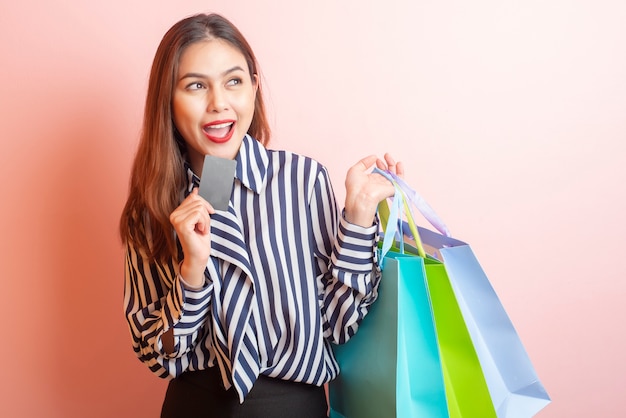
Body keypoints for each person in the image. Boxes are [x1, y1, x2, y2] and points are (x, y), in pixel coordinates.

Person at [119, 13, 404, 418]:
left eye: (233, 81)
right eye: (196, 85)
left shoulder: (303, 181)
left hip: (294, 407)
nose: (219, 103)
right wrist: (192, 272)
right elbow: (157, 356)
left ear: (254, 87)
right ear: (168, 98)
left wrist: (357, 221)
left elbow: (338, 325)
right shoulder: (149, 208)